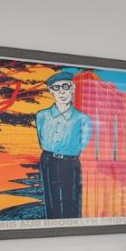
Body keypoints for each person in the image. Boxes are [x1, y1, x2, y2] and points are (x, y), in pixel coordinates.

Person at [35, 68, 91, 219]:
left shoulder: (82, 118)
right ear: (50, 91)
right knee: (52, 202)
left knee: (71, 202)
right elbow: (41, 138)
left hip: (70, 163)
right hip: (48, 160)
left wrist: (68, 150)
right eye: (56, 88)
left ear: (72, 89)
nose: (62, 92)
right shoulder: (42, 116)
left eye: (66, 86)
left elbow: (83, 144)